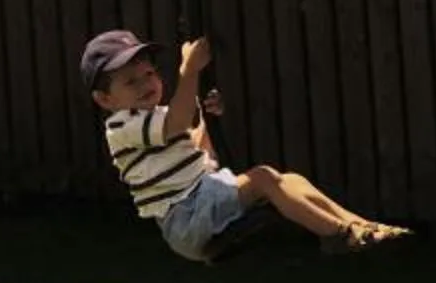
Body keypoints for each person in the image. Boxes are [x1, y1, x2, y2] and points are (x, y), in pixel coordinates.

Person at [81, 26, 410, 262]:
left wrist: (207, 119)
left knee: (289, 179)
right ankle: (339, 235)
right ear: (104, 99)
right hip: (186, 216)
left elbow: (200, 153)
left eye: (149, 74)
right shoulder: (121, 126)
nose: (145, 84)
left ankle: (359, 226)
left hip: (200, 199)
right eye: (131, 81)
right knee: (264, 177)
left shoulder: (158, 117)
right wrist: (190, 71)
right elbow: (179, 123)